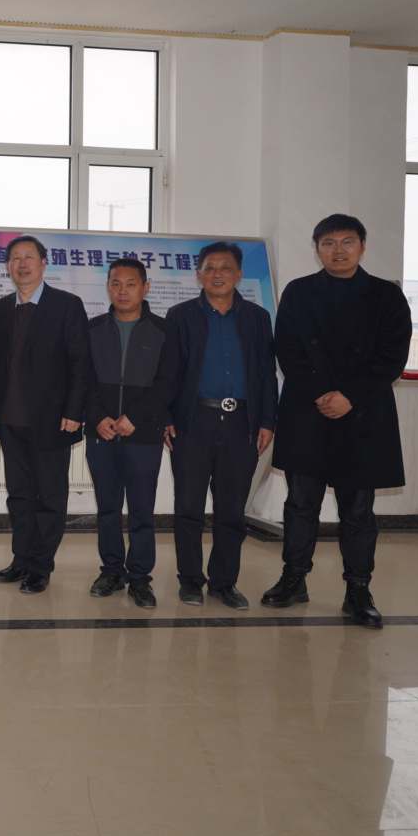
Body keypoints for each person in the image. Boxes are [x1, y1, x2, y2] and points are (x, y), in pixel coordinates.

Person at [264, 214, 411, 629]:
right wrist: (322, 394)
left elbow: (392, 356)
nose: (338, 250)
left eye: (347, 241)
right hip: (308, 412)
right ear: (317, 249)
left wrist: (349, 396)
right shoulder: (299, 292)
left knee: (358, 510)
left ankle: (358, 589)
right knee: (300, 503)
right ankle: (294, 578)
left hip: (363, 413)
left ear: (363, 246)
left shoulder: (386, 295)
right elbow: (287, 350)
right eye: (328, 243)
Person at [164, 242, 278, 610]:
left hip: (242, 423)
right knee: (189, 507)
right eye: (210, 267)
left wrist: (267, 421)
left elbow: (266, 373)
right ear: (198, 275)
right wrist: (166, 417)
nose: (217, 274)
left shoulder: (258, 318)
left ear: (239, 274)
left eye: (225, 267)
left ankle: (224, 583)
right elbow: (166, 373)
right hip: (193, 421)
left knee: (231, 510)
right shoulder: (180, 315)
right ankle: (190, 581)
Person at [0, 236, 89, 593]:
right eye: (15, 258)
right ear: (8, 266)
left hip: (53, 419)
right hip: (10, 419)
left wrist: (74, 411)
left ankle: (41, 566)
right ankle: (21, 559)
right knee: (19, 496)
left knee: (50, 497)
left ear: (44, 263)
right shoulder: (0, 308)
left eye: (29, 257)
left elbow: (80, 362)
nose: (22, 264)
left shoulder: (66, 305)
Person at [84, 258, 179, 609]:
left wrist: (134, 417)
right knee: (107, 507)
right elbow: (82, 380)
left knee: (141, 509)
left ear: (145, 288)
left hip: (143, 434)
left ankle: (140, 576)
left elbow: (167, 383)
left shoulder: (164, 331)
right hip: (102, 433)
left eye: (130, 284)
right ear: (107, 287)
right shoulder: (92, 329)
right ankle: (111, 570)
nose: (122, 291)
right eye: (116, 284)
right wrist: (98, 417)